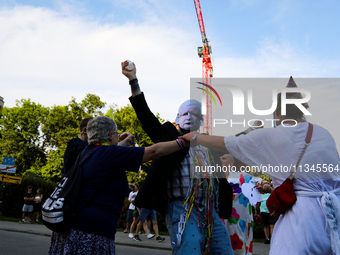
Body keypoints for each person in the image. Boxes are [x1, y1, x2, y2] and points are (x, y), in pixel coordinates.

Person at [182, 77, 340, 255]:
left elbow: (227, 143)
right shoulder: (323, 133)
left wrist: (193, 137)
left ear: (278, 112)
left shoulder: (276, 134)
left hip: (303, 222)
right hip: (334, 218)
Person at [122, 60, 236, 255]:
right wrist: (133, 80)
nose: (190, 117)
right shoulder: (168, 135)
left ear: (201, 120)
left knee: (224, 250)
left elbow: (234, 144)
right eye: (185, 113)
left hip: (209, 210)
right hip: (181, 207)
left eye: (195, 114)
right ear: (177, 118)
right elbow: (145, 116)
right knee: (189, 250)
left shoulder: (208, 141)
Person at [48, 116, 189, 255]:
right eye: (116, 133)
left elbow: (95, 182)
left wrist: (125, 185)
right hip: (90, 235)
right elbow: (154, 151)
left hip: (71, 232)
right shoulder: (108, 153)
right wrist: (183, 141)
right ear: (110, 135)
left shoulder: (86, 153)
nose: (117, 136)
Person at [257, 179, 276, 244]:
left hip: (270, 212)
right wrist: (260, 210)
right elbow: (259, 203)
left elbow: (274, 202)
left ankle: (272, 239)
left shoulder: (271, 192)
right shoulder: (260, 194)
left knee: (272, 225)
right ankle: (267, 239)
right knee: (266, 225)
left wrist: (273, 211)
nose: (266, 184)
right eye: (264, 183)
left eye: (267, 183)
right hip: (263, 211)